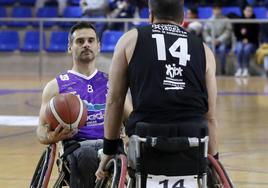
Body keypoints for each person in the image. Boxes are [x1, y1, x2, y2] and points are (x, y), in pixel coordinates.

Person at [96, 0, 219, 181]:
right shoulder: (204, 49)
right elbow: (210, 116)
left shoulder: (129, 40)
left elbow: (115, 100)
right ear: (183, 18)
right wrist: (214, 162)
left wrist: (108, 150)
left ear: (151, 15)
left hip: (147, 142)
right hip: (192, 143)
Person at [36, 22, 132, 188]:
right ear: (70, 47)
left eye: (90, 40)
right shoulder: (55, 86)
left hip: (110, 143)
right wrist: (50, 137)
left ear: (98, 46)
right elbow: (41, 129)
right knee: (87, 156)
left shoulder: (113, 82)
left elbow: (131, 118)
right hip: (77, 146)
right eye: (80, 41)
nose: (86, 44)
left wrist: (131, 135)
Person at [203, 2, 232, 75]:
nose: (216, 11)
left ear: (221, 10)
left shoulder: (226, 20)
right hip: (211, 41)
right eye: (215, 9)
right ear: (212, 10)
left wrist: (219, 40)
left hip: (222, 41)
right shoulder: (208, 20)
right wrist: (210, 40)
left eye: (218, 9)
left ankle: (223, 71)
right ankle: (210, 71)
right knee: (208, 50)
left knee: (222, 50)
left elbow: (228, 32)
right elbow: (205, 32)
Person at [234, 5, 259, 77]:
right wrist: (241, 37)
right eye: (247, 10)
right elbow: (236, 34)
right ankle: (239, 68)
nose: (248, 12)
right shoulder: (239, 21)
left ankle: (245, 69)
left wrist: (248, 39)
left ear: (252, 12)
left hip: (252, 42)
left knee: (246, 49)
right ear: (244, 11)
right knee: (239, 48)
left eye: (250, 11)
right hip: (240, 41)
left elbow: (256, 36)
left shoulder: (255, 22)